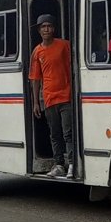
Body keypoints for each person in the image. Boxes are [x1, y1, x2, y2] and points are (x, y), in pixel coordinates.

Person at [28, 14, 74, 179]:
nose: (46, 29)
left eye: (49, 26)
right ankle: (59, 164)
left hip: (66, 96)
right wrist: (35, 103)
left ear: (53, 29)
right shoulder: (37, 52)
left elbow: (73, 66)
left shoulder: (64, 45)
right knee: (54, 134)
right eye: (43, 27)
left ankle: (73, 164)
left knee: (68, 132)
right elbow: (35, 79)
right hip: (48, 99)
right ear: (39, 30)